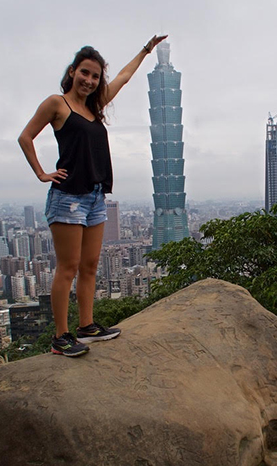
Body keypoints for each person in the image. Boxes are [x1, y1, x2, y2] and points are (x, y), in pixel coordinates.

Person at [18, 35, 168, 357]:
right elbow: (25, 137)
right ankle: (61, 336)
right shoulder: (57, 104)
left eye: (96, 76)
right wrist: (41, 173)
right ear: (73, 71)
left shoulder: (94, 107)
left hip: (96, 197)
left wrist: (145, 51)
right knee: (67, 267)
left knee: (89, 266)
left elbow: (124, 78)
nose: (89, 80)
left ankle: (87, 326)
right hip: (68, 197)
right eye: (84, 72)